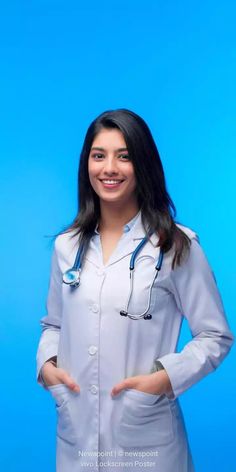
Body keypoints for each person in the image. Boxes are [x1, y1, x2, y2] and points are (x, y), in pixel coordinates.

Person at [36, 108, 234, 472]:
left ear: (142, 164)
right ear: (87, 164)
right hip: (76, 436)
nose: (109, 168)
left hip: (146, 438)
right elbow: (54, 325)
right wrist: (48, 366)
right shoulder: (67, 247)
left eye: (123, 156)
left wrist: (165, 379)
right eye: (99, 155)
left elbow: (215, 335)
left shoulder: (175, 246)